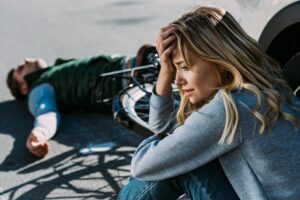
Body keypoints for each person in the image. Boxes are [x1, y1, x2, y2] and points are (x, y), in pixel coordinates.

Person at [118, 6, 300, 200]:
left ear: (218, 61)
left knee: (179, 166)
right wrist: (165, 71)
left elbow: (143, 166)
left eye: (185, 67)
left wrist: (169, 146)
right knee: (180, 157)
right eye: (174, 69)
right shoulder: (265, 84)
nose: (177, 80)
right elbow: (161, 126)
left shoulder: (230, 108)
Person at [6, 44, 157, 158]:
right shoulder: (38, 88)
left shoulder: (51, 73)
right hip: (132, 80)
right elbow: (46, 112)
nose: (25, 60)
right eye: (20, 69)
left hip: (135, 71)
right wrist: (40, 133)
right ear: (24, 88)